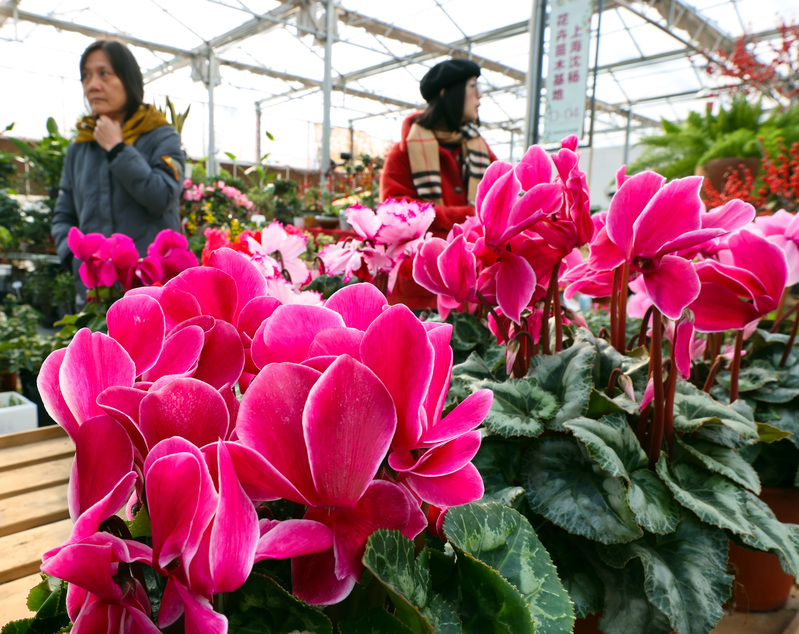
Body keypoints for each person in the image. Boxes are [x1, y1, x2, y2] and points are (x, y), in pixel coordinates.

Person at [52, 39, 185, 299]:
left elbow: (162, 196)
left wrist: (117, 149)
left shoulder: (161, 136)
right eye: (86, 76)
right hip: (96, 294)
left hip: (152, 289)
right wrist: (73, 259)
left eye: (104, 73)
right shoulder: (80, 146)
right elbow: (63, 214)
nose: (92, 85)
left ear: (128, 79)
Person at [380, 58, 498, 236]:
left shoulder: (480, 147)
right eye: (474, 86)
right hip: (424, 258)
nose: (479, 95)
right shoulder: (404, 151)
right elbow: (394, 210)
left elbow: (503, 194)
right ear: (447, 92)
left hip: (479, 256)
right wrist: (469, 215)